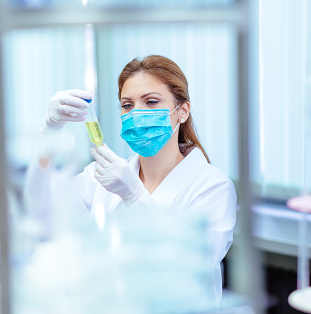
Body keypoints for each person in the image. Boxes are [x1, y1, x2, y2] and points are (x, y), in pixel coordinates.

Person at [37, 55, 237, 303]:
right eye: (127, 105)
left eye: (151, 102)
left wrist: (134, 196)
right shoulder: (102, 176)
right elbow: (40, 212)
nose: (137, 113)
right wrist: (48, 133)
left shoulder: (211, 186)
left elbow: (187, 270)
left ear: (182, 112)